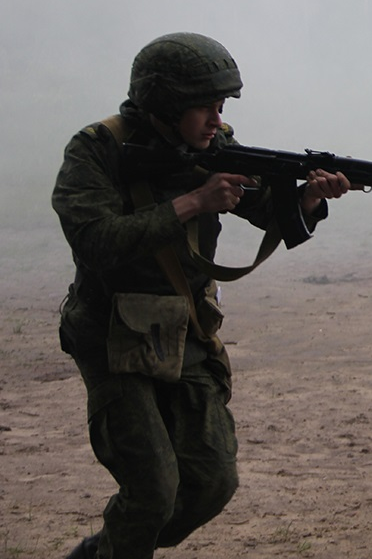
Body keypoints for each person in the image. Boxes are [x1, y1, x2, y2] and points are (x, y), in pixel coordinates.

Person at [54, 33, 354, 559]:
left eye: (222, 107)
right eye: (206, 108)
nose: (217, 120)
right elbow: (95, 242)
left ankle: (110, 549)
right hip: (111, 334)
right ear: (167, 105)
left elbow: (262, 209)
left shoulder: (212, 146)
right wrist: (193, 202)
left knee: (213, 481)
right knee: (151, 490)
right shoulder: (97, 150)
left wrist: (306, 199)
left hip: (186, 327)